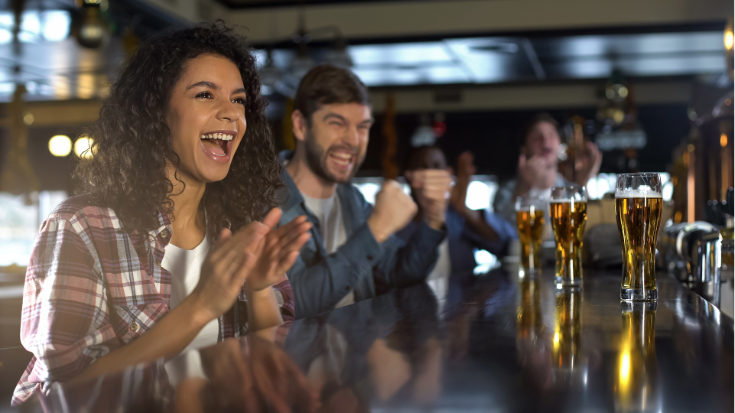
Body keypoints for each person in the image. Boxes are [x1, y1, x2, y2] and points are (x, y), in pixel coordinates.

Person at [12, 23, 312, 405]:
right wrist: (200, 305)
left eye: (239, 101)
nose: (231, 115)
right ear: (156, 113)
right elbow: (68, 392)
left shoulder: (240, 226)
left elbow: (274, 366)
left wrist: (258, 289)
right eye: (206, 94)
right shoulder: (82, 225)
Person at [279, 65, 451, 318]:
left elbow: (400, 273)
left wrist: (433, 216)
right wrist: (376, 229)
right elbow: (294, 303)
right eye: (337, 123)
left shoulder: (351, 199)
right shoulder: (265, 200)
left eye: (363, 127)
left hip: (355, 355)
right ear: (301, 126)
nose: (353, 141)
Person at [397, 147, 517, 290]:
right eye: (423, 167)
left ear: (448, 173)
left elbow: (507, 244)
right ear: (409, 176)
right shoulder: (397, 223)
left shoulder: (457, 218)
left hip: (459, 308)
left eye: (436, 167)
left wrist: (463, 209)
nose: (430, 174)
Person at [493, 113, 602, 226]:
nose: (545, 140)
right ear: (524, 148)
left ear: (559, 143)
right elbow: (501, 232)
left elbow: (590, 227)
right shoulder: (506, 191)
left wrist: (582, 185)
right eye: (536, 137)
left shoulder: (571, 190)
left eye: (551, 134)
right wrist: (522, 189)